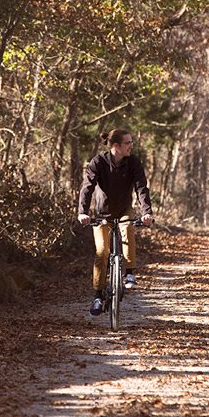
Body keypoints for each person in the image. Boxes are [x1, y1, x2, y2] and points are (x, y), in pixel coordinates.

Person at [78, 127, 154, 316]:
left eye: (131, 142)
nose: (131, 146)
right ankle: (98, 295)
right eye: (128, 143)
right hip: (102, 213)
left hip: (124, 210)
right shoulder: (98, 162)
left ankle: (129, 271)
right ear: (115, 146)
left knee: (128, 227)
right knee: (102, 251)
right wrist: (82, 212)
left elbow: (141, 188)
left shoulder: (133, 162)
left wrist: (147, 213)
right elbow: (87, 187)